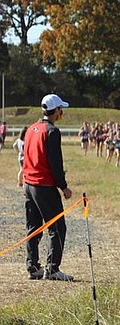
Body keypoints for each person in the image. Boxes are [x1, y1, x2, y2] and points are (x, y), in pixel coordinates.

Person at [22, 94, 74, 281]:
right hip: (44, 186)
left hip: (29, 184)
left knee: (34, 228)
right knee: (58, 228)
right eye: (62, 109)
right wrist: (64, 187)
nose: (62, 113)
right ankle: (52, 269)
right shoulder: (52, 131)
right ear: (57, 110)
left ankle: (33, 266)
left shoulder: (31, 129)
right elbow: (55, 163)